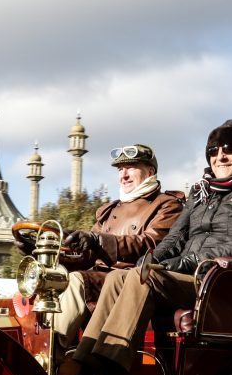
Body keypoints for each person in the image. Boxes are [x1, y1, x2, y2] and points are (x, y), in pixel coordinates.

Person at [59, 119, 232, 375]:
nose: (221, 157)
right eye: (213, 152)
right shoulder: (202, 192)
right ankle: (84, 369)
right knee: (124, 277)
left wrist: (192, 260)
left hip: (225, 282)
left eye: (230, 149)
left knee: (145, 279)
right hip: (193, 278)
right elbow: (175, 239)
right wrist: (148, 260)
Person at [18, 144, 184, 354]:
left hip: (131, 280)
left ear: (150, 171)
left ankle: (48, 352)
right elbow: (86, 254)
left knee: (76, 281)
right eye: (119, 169)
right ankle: (30, 349)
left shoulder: (167, 205)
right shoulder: (109, 210)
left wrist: (98, 241)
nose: (123, 175)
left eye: (131, 167)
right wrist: (41, 252)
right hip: (99, 278)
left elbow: (151, 245)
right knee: (41, 285)